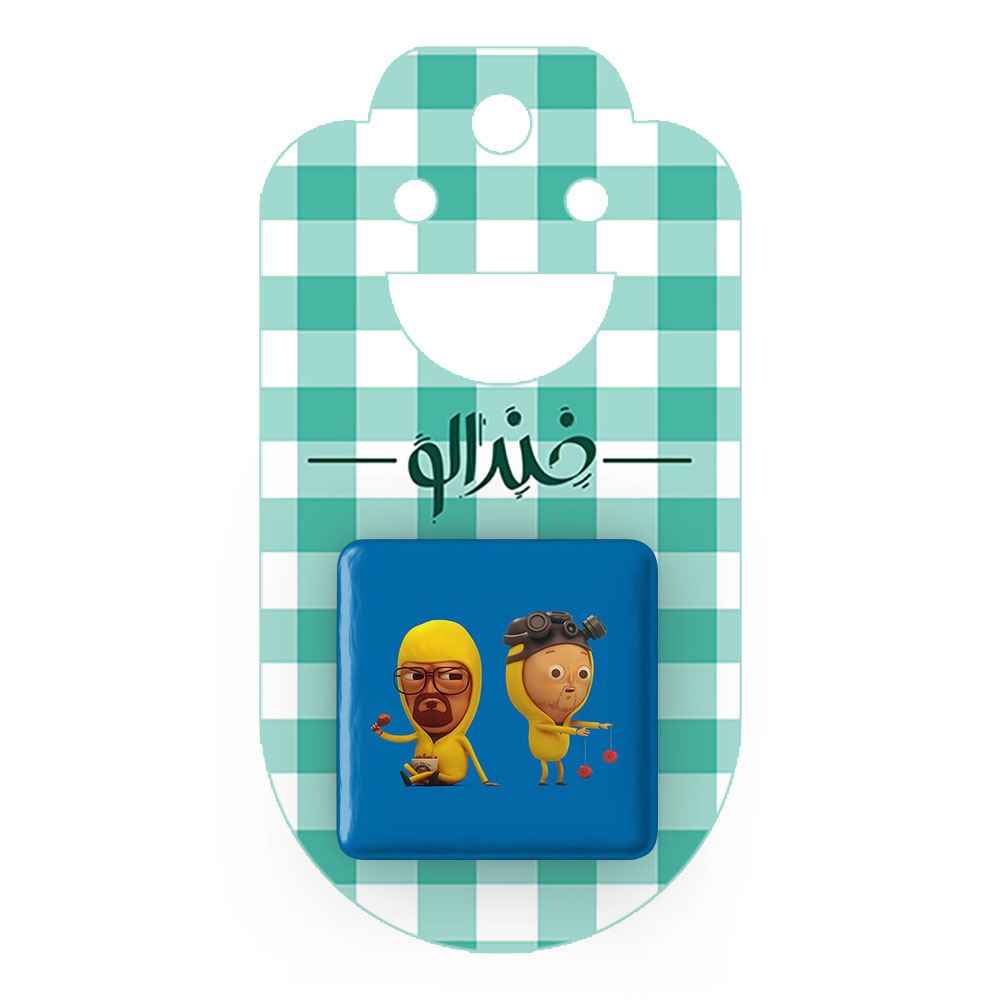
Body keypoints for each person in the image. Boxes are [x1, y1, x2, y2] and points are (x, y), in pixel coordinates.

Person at [373, 619, 497, 787]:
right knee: (413, 769)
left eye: (450, 676)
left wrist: (485, 780)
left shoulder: (459, 741)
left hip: (453, 774)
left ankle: (420, 778)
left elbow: (474, 759)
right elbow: (400, 738)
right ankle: (422, 777)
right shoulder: (420, 737)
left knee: (425, 774)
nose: (430, 691)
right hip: (423, 773)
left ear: (475, 687)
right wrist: (381, 732)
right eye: (415, 676)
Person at [503, 611, 612, 785]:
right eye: (556, 673)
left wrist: (598, 725)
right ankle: (544, 779)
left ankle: (559, 779)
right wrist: (575, 732)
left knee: (559, 763)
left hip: (561, 750)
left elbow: (574, 722)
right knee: (546, 764)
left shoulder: (565, 718)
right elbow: (550, 728)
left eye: (583, 674)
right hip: (543, 750)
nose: (571, 684)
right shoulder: (539, 722)